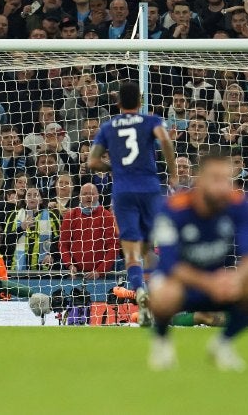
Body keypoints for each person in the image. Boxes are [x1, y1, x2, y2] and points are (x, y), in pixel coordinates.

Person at [148, 150, 248, 371]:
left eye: (226, 179)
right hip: (182, 284)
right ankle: (162, 342)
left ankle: (223, 344)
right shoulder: (173, 207)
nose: (223, 186)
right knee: (162, 292)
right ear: (198, 180)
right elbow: (168, 263)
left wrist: (235, 279)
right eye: (215, 179)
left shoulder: (240, 204)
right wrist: (209, 282)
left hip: (221, 284)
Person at [88, 81, 178, 326]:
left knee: (131, 251)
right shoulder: (151, 122)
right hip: (149, 189)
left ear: (118, 103)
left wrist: (115, 168)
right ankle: (155, 294)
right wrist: (173, 173)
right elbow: (166, 142)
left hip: (124, 191)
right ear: (139, 101)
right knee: (149, 247)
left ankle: (138, 290)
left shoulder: (108, 127)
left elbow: (92, 161)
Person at [59, 183, 119, 279]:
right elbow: (63, 245)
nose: (88, 196)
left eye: (91, 194)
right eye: (85, 194)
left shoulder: (107, 217)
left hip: (101, 276)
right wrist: (70, 265)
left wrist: (99, 271)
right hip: (76, 274)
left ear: (98, 196)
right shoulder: (70, 216)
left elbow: (113, 248)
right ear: (79, 197)